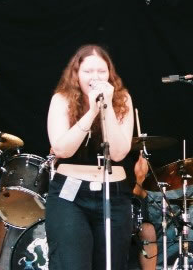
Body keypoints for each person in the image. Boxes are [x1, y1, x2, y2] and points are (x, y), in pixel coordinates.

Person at [46, 44, 135, 270]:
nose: (95, 77)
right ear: (76, 74)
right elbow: (62, 149)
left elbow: (118, 152)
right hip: (71, 193)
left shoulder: (122, 99)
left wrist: (107, 108)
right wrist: (92, 112)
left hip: (113, 193)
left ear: (109, 74)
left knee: (112, 264)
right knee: (71, 263)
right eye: (88, 71)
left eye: (101, 71)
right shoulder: (62, 99)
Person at [132, 153, 157, 270]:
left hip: (131, 218)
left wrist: (140, 176)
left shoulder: (135, 159)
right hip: (109, 216)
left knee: (148, 229)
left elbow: (140, 195)